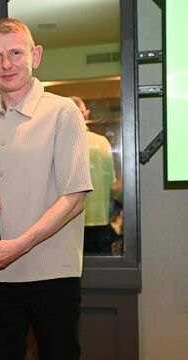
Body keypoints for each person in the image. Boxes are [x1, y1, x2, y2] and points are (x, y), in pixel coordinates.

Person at [0, 18, 92, 359]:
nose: (6, 64)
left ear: (35, 55)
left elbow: (75, 197)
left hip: (53, 278)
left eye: (16, 52)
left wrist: (20, 245)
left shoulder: (63, 112)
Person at [70, 96, 118, 254]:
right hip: (100, 222)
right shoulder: (103, 143)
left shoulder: (62, 144)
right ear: (87, 114)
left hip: (69, 222)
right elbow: (113, 185)